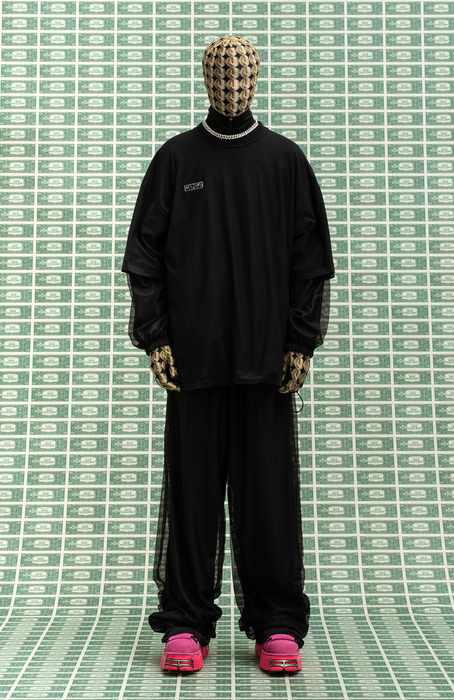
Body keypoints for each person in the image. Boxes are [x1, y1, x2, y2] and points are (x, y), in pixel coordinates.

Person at [121, 34, 335, 673]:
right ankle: (186, 621)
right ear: (205, 80)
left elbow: (311, 261)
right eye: (221, 75)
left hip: (267, 362)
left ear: (257, 79)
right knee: (191, 496)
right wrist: (156, 336)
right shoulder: (176, 159)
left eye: (243, 75)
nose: (232, 86)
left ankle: (277, 622)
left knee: (268, 496)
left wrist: (300, 341)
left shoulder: (285, 161)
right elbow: (144, 257)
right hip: (194, 361)